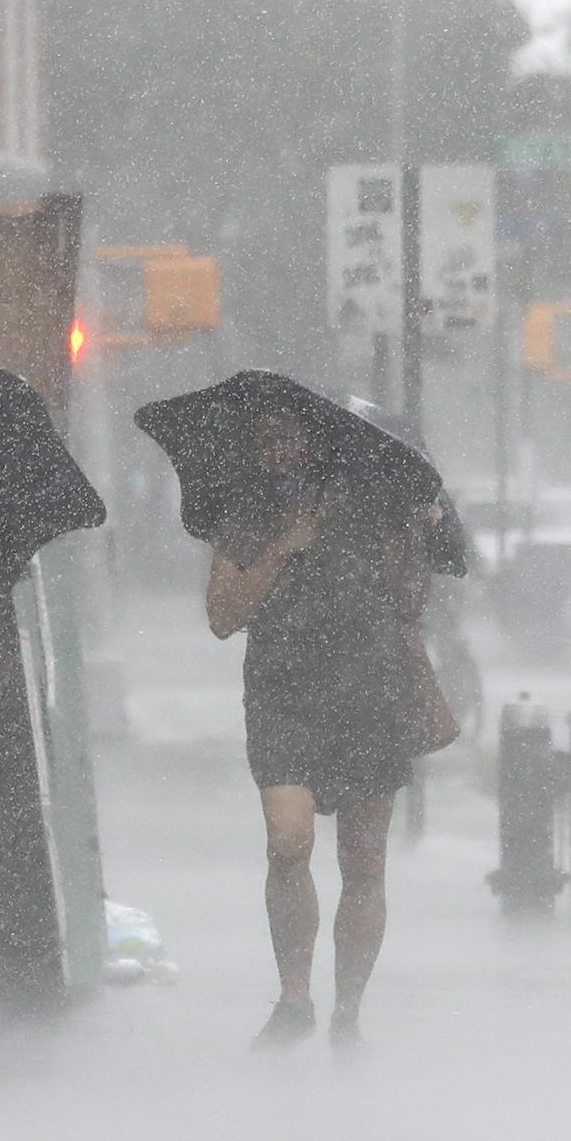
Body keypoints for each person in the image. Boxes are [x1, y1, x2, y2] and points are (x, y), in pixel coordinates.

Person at [205, 412, 454, 1049]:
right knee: (287, 844)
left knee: (363, 860)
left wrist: (420, 529)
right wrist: (283, 546)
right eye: (264, 438)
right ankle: (295, 998)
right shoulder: (249, 514)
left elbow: (411, 600)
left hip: (370, 691)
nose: (276, 447)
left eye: (285, 435)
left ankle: (348, 1012)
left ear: (315, 440)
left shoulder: (380, 505)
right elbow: (223, 615)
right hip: (283, 694)